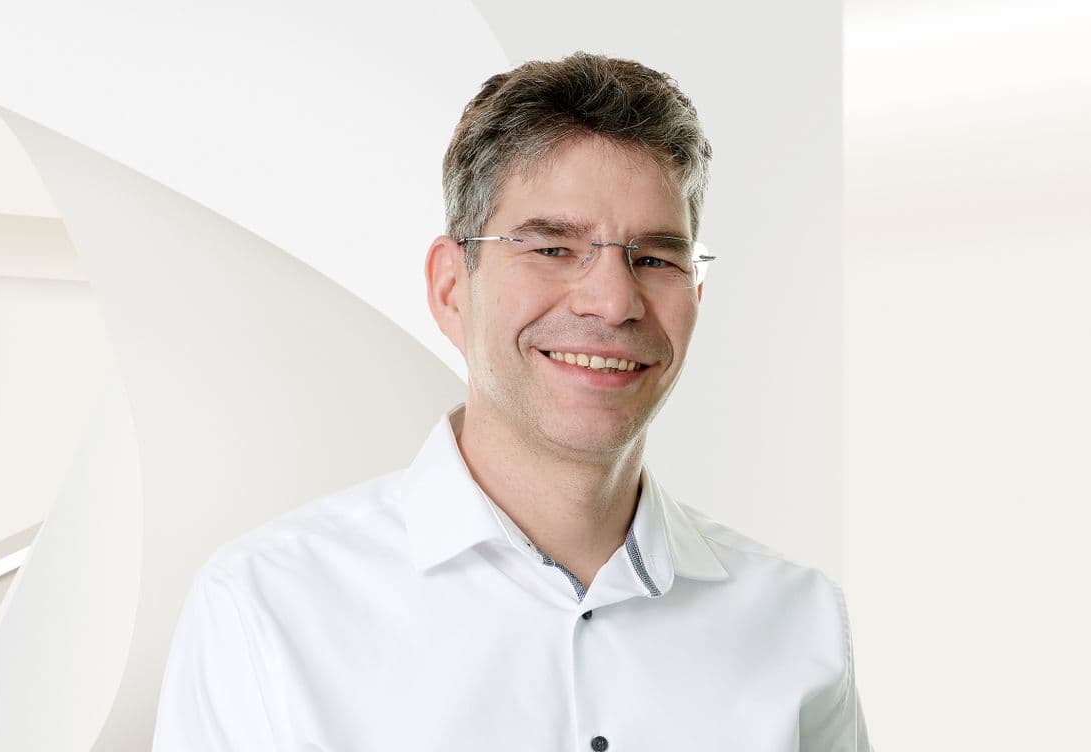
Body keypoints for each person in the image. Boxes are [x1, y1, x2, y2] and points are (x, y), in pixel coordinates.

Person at [153, 52, 871, 751]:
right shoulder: (268, 609)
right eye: (553, 249)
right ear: (450, 288)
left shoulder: (799, 621)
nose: (613, 302)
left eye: (655, 258)